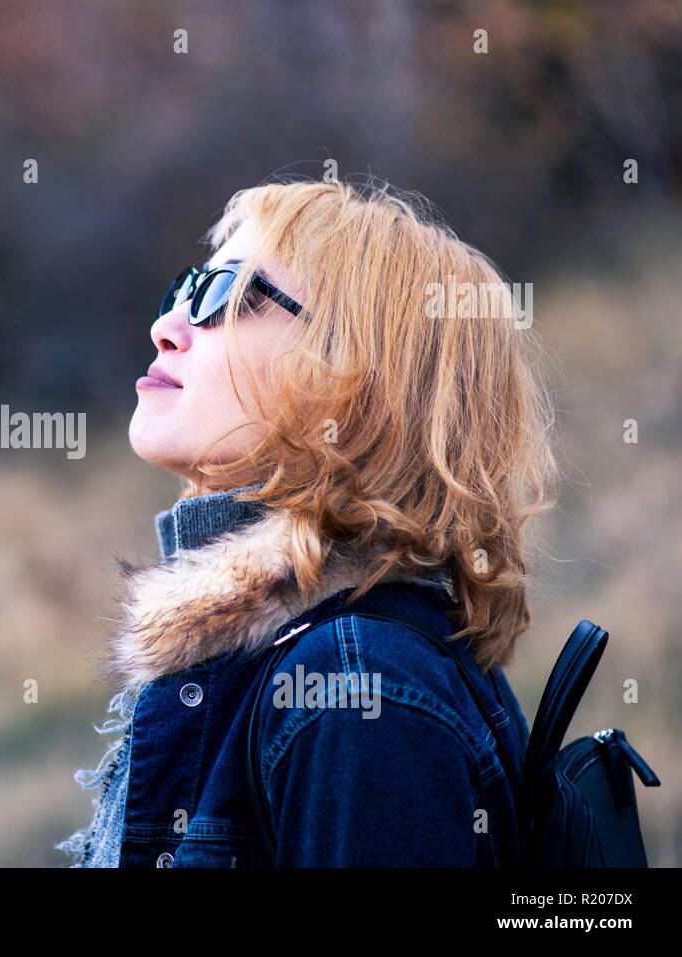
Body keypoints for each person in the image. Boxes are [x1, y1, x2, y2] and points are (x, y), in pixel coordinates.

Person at [55, 177, 559, 867]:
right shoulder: (292, 657)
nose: (166, 327)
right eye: (183, 290)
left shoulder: (359, 694)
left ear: (359, 379)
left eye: (226, 296)